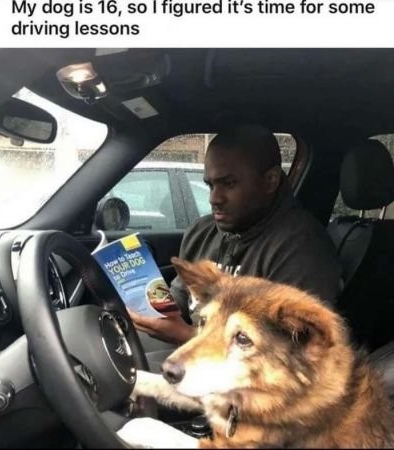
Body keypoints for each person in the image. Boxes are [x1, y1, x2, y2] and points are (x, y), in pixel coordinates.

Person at [129, 124, 342, 370]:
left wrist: (185, 335)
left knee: (126, 374)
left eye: (228, 183)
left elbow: (290, 358)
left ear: (270, 181)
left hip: (246, 375)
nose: (214, 198)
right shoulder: (201, 231)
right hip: (193, 346)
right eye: (210, 185)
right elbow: (181, 297)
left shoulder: (303, 249)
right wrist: (150, 308)